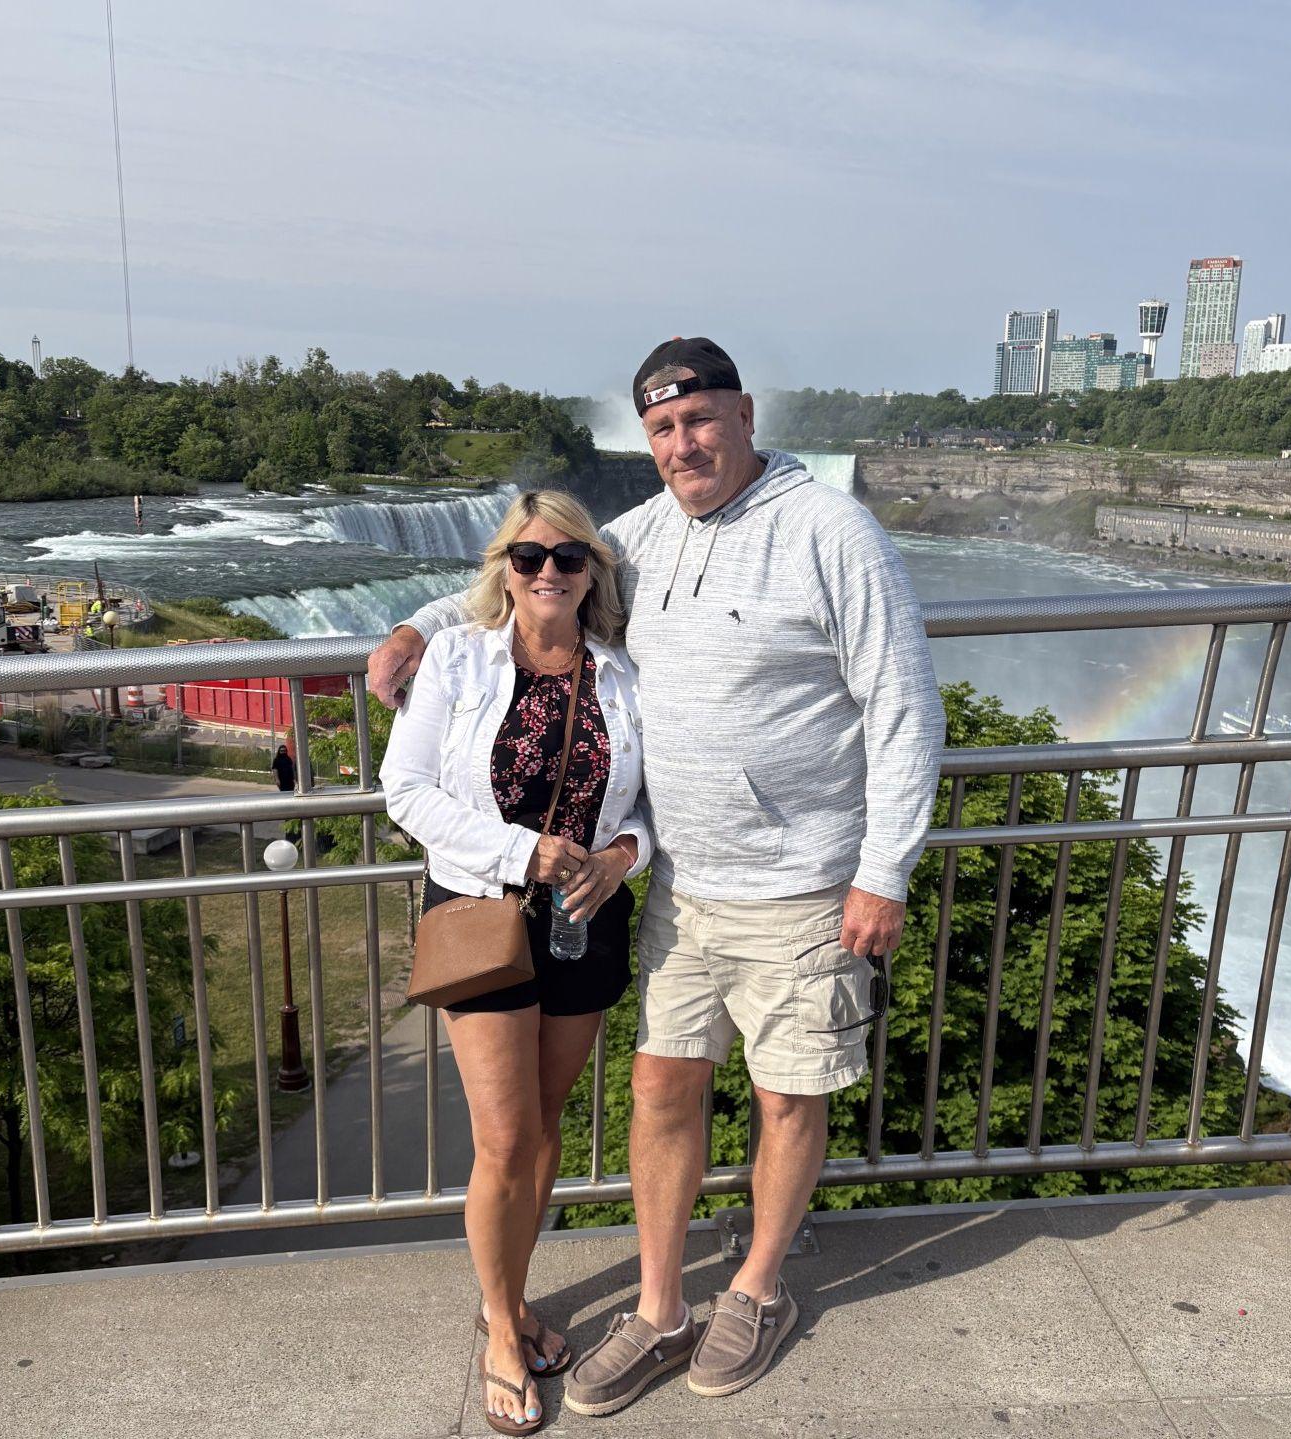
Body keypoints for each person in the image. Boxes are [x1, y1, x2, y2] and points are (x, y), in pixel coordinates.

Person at [369, 337, 944, 1416]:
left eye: (701, 419)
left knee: (787, 1093)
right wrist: (418, 623)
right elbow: (524, 574)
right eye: (664, 429)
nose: (684, 443)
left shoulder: (832, 531)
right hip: (675, 885)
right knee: (660, 1092)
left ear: (744, 414)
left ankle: (759, 1287)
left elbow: (905, 704)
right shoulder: (638, 535)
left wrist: (884, 869)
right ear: (650, 440)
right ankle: (658, 1304)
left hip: (803, 882)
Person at [379, 489, 650, 1436]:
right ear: (503, 568)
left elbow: (645, 809)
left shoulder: (622, 675)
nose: (547, 573)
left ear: (591, 574)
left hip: (584, 917)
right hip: (480, 910)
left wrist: (622, 858)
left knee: (542, 1129)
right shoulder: (456, 657)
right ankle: (502, 1325)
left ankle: (516, 1293)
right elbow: (402, 790)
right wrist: (518, 851)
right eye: (528, 558)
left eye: (567, 559)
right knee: (502, 1139)